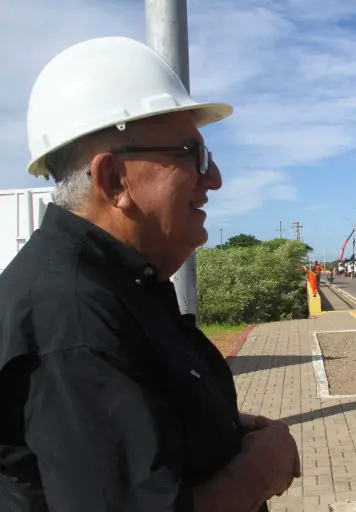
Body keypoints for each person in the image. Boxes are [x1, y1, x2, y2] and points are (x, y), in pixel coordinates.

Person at [0, 37, 300, 511]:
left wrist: (213, 424)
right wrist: (259, 472)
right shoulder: (74, 318)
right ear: (113, 180)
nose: (215, 178)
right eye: (191, 154)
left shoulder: (116, 285)